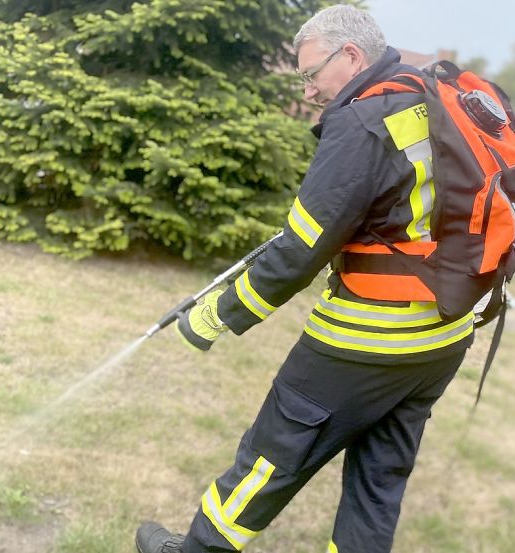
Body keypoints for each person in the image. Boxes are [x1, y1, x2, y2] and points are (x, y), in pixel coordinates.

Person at [136, 5, 475, 553]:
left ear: (351, 55)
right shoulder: (427, 95)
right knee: (377, 483)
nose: (311, 91)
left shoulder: (362, 120)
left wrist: (212, 317)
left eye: (311, 73)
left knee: (273, 454)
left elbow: (299, 252)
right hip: (443, 337)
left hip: (365, 340)